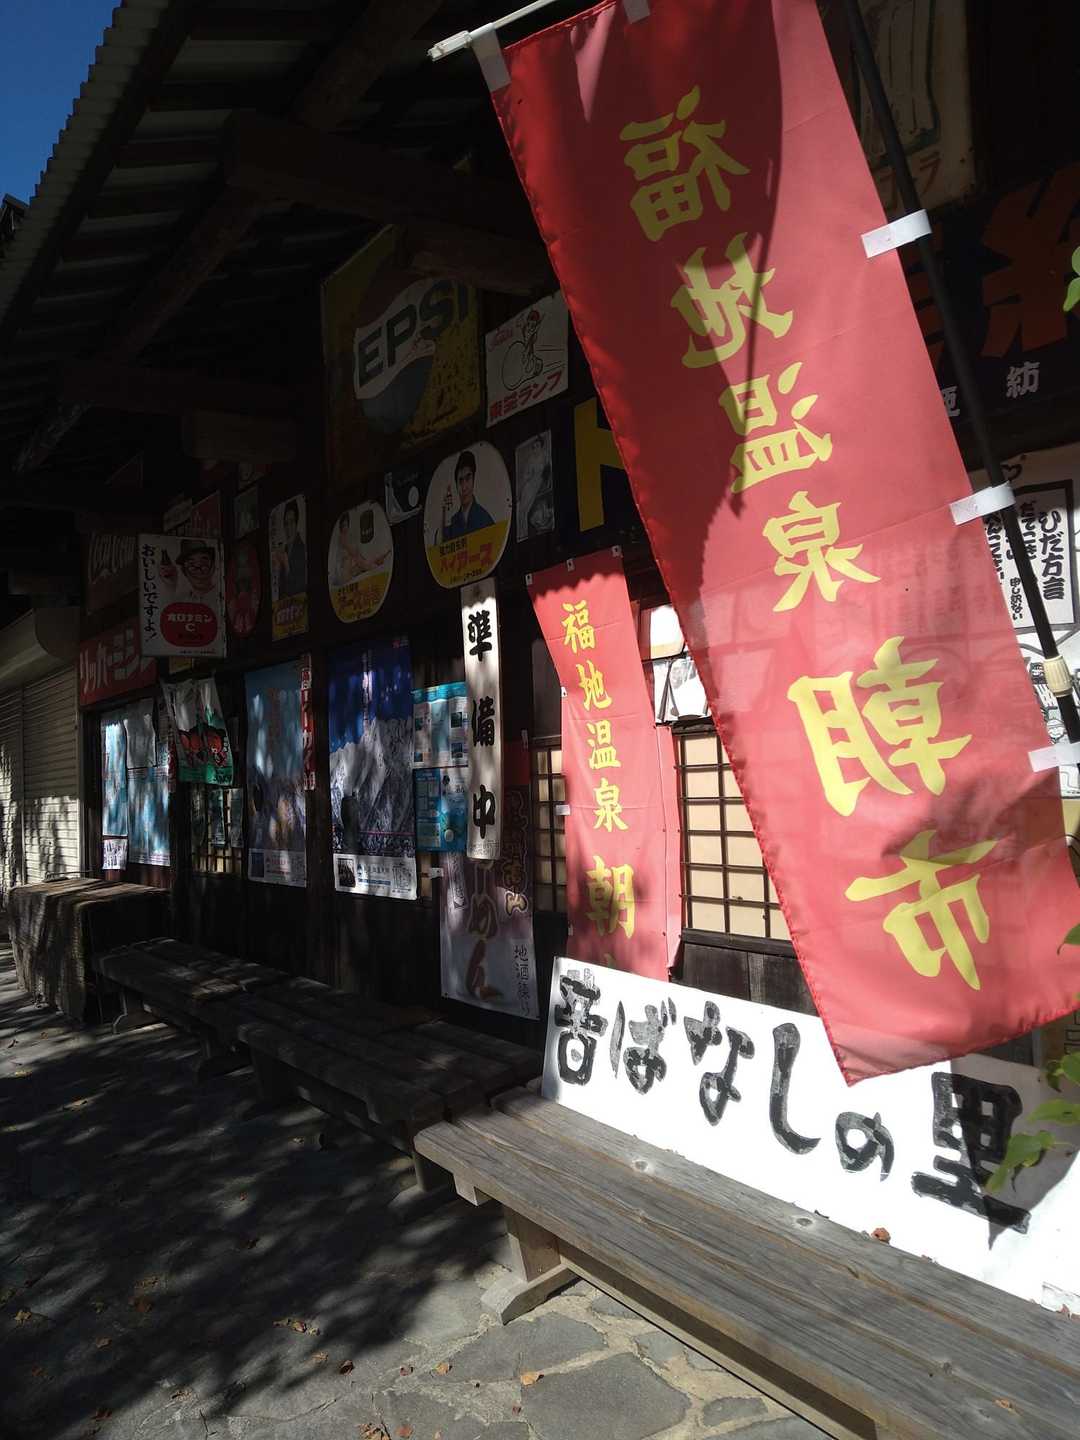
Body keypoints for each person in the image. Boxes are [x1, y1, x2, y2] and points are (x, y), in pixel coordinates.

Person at [444, 451, 495, 538]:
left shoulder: (485, 519)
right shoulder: (452, 522)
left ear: (473, 480)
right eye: (460, 481)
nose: (464, 487)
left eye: (468, 479)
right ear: (456, 485)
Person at [272, 499, 307, 597]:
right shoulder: (285, 549)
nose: (288, 528)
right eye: (286, 523)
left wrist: (286, 564)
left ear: (296, 523)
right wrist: (277, 567)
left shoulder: (301, 548)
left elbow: (299, 587)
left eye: (291, 522)